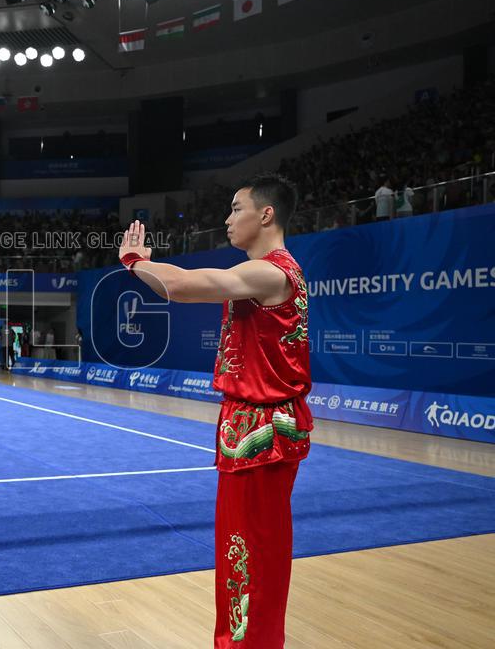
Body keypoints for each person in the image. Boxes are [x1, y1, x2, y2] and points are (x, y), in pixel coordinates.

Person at [119, 174, 311, 649]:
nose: (227, 219)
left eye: (235, 208)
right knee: (240, 550)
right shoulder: (260, 274)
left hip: (264, 434)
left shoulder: (272, 273)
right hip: (248, 430)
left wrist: (134, 262)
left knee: (255, 552)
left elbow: (183, 286)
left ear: (265, 214)